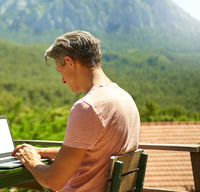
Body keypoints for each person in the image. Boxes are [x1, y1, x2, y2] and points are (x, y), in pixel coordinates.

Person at [12, 30, 140, 192]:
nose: (63, 80)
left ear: (70, 62)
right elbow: (92, 152)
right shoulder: (125, 98)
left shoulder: (88, 107)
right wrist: (40, 151)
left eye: (61, 71)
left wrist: (31, 161)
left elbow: (53, 180)